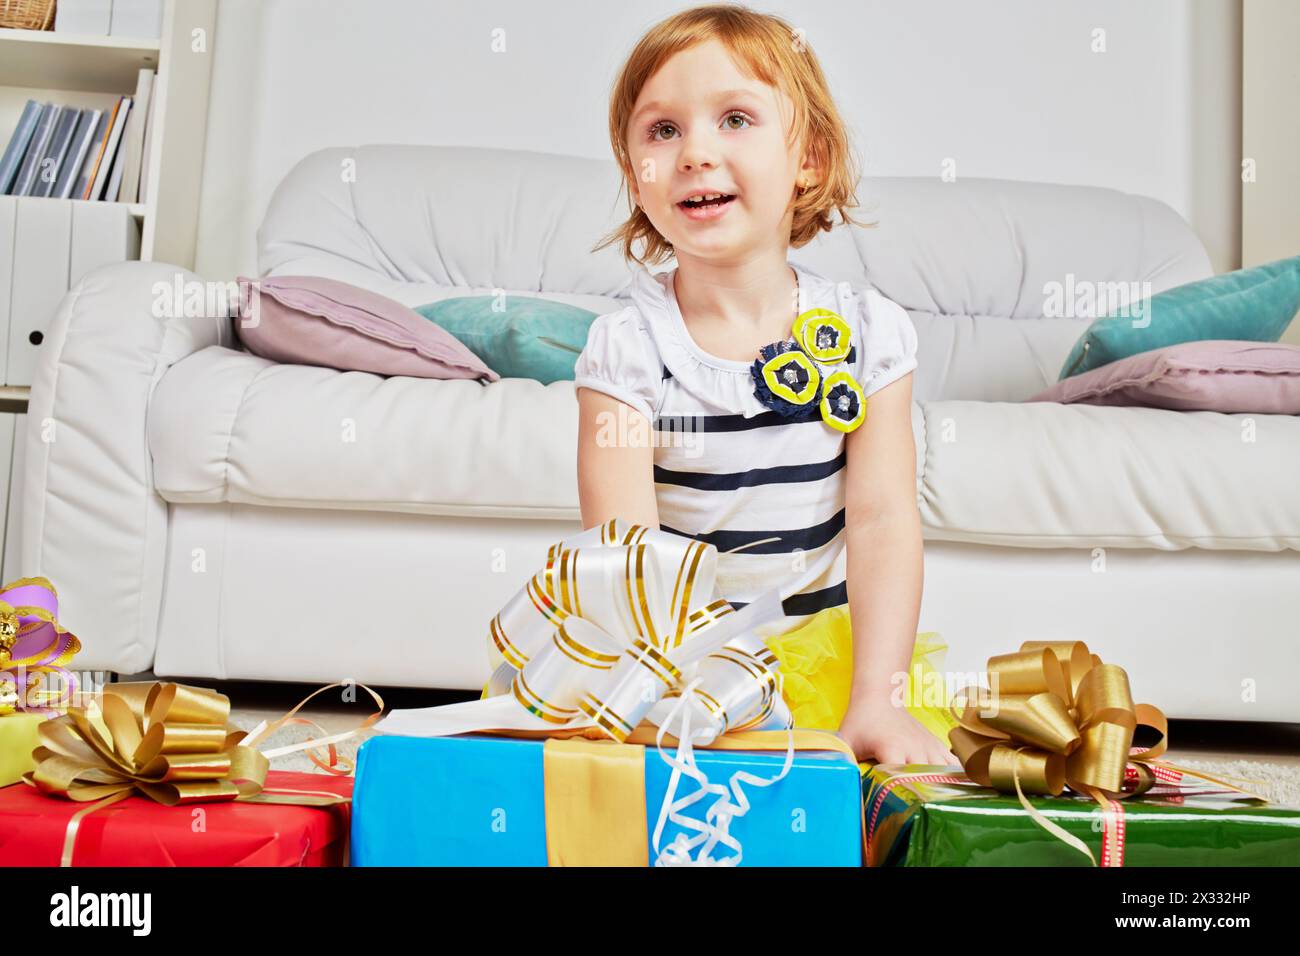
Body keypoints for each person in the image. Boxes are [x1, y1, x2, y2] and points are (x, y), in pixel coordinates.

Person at [575, 4, 957, 764]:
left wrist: (876, 700)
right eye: (663, 130)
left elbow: (881, 521)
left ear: (809, 158)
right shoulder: (625, 349)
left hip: (815, 668)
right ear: (635, 175)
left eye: (736, 118)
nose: (694, 153)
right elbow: (625, 551)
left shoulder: (869, 335)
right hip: (670, 669)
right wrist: (676, 703)